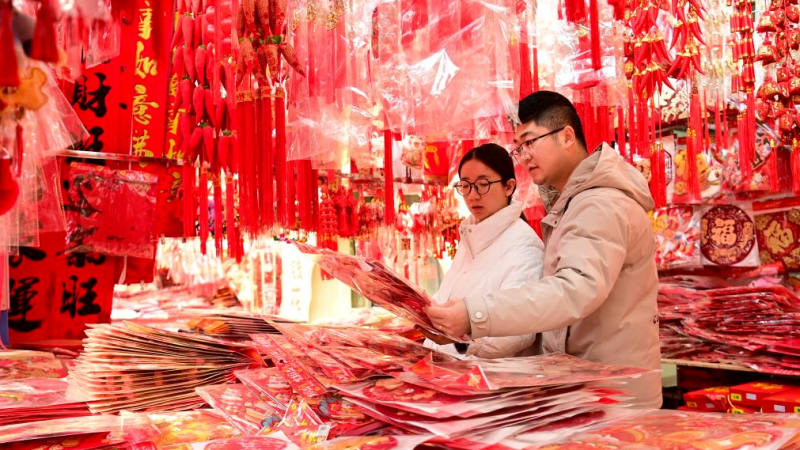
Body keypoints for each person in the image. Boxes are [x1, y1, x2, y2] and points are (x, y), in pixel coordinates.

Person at [426, 91, 662, 409]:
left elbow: (573, 291)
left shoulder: (599, 204)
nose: (524, 157)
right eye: (519, 147)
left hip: (611, 392)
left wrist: (473, 316)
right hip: (588, 386)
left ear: (567, 137)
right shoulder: (573, 204)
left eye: (530, 142)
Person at [424, 143, 545, 359]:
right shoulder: (470, 236)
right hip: (450, 369)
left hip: (489, 375)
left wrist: (464, 333)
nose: (473, 195)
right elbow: (447, 297)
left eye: (483, 184)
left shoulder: (525, 244)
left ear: (509, 187)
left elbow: (519, 329)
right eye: (465, 185)